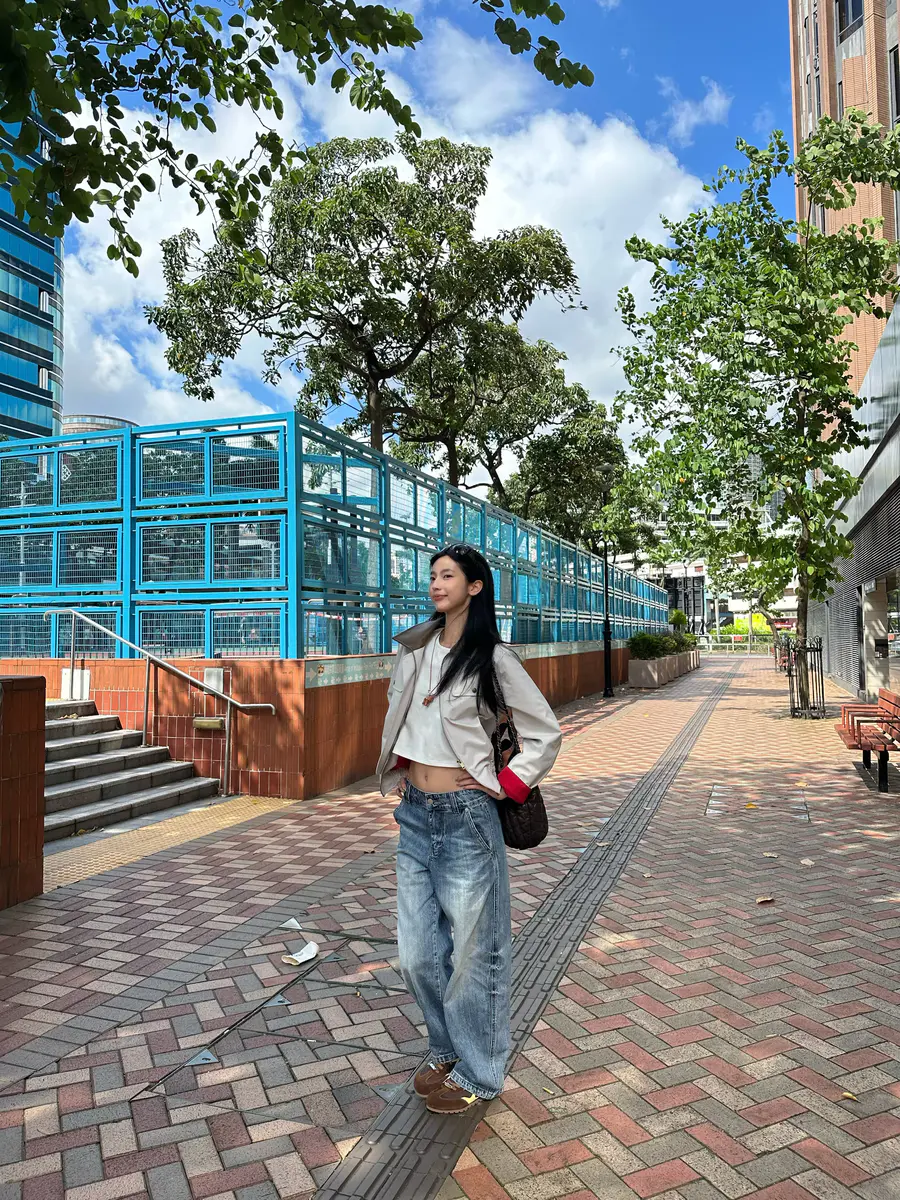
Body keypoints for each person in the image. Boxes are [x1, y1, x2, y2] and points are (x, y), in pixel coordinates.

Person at [376, 543, 562, 1114]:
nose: (436, 584)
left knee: (475, 954)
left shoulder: (492, 658)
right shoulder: (414, 649)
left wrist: (505, 783)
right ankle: (446, 1047)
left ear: (474, 587)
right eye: (432, 575)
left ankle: (480, 1072)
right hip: (414, 813)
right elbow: (403, 715)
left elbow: (545, 732)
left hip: (466, 819)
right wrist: (402, 771)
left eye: (448, 576)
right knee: (417, 954)